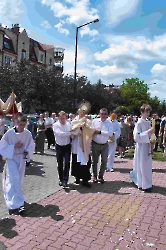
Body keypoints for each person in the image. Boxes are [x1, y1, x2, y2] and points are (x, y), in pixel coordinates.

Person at [0, 116, 35, 215]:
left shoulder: (27, 133)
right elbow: (2, 146)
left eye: (24, 125)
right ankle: (15, 205)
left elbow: (31, 145)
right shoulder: (10, 133)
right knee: (13, 179)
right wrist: (13, 146)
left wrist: (27, 152)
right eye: (20, 125)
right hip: (11, 158)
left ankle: (15, 200)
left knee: (18, 180)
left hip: (21, 158)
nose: (22, 127)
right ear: (17, 123)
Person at [130, 104, 154, 192]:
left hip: (147, 146)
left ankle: (147, 183)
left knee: (147, 166)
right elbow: (136, 137)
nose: (148, 113)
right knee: (141, 165)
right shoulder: (139, 123)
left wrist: (153, 139)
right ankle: (142, 184)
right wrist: (148, 132)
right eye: (146, 111)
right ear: (142, 112)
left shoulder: (148, 122)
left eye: (149, 111)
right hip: (141, 147)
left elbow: (151, 135)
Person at [71, 108, 95, 187]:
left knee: (86, 163)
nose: (81, 113)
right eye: (80, 112)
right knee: (76, 162)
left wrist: (85, 129)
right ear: (78, 112)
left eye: (83, 112)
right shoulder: (74, 121)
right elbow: (71, 130)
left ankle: (85, 180)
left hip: (85, 145)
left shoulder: (88, 121)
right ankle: (77, 178)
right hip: (76, 144)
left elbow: (92, 130)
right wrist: (78, 130)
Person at [92, 108, 113, 183]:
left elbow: (110, 133)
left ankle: (101, 176)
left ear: (107, 115)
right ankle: (94, 176)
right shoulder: (94, 121)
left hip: (104, 144)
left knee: (104, 161)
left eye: (105, 114)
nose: (103, 115)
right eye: (102, 114)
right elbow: (91, 130)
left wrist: (100, 132)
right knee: (95, 161)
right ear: (99, 114)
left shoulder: (109, 123)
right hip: (95, 143)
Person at [53, 111, 72, 188]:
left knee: (67, 162)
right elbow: (60, 134)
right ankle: (61, 179)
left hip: (67, 146)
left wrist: (72, 134)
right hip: (59, 146)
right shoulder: (55, 125)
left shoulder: (68, 124)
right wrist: (70, 133)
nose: (63, 120)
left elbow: (72, 132)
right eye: (61, 118)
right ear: (58, 117)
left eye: (64, 118)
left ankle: (65, 180)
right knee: (60, 164)